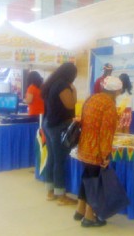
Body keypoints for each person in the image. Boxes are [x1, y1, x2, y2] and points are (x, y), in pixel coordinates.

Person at [75, 76, 122, 227]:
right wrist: (105, 155)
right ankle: (89, 217)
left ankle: (80, 210)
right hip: (96, 149)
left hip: (84, 145)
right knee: (95, 181)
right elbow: (106, 133)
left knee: (87, 177)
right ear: (116, 91)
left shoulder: (91, 98)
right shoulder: (109, 105)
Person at [41, 62, 77, 205]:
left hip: (49, 124)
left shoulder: (53, 83)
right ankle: (61, 194)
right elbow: (70, 104)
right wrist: (73, 90)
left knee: (52, 158)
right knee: (59, 160)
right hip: (58, 126)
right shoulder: (63, 85)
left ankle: (50, 191)